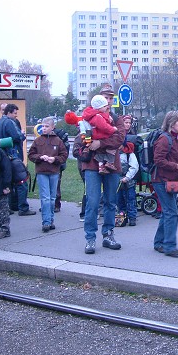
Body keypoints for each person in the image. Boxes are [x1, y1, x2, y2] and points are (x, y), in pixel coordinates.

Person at [76, 105, 126, 255]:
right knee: (92, 202)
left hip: (112, 165)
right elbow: (82, 136)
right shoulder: (89, 116)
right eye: (106, 99)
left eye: (111, 98)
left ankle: (108, 234)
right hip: (91, 165)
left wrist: (100, 143)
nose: (109, 102)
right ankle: (90, 238)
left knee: (111, 201)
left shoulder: (117, 119)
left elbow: (119, 138)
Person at [152, 111, 178, 257]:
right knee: (171, 213)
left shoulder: (177, 138)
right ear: (172, 123)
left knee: (168, 213)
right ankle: (169, 246)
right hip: (161, 180)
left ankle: (159, 243)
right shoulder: (164, 139)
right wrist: (177, 166)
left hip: (171, 180)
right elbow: (158, 160)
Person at [0, 103, 35, 216]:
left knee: (9, 182)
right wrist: (22, 134)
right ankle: (23, 208)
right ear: (9, 112)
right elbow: (17, 137)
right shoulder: (9, 122)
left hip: (3, 156)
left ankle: (11, 206)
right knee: (22, 181)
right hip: (12, 156)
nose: (16, 116)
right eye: (15, 113)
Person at [28, 117, 68, 233]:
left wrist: (54, 159)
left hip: (54, 172)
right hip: (42, 172)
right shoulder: (38, 140)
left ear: (52, 127)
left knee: (52, 198)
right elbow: (31, 155)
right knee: (45, 198)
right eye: (43, 126)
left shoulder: (58, 141)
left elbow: (64, 156)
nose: (44, 128)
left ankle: (51, 220)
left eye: (46, 126)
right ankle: (46, 222)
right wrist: (40, 157)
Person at [81, 95, 118, 173]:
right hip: (101, 134)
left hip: (95, 136)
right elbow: (104, 126)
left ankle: (101, 167)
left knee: (100, 152)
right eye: (105, 106)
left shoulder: (91, 114)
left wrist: (108, 118)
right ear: (100, 107)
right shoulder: (98, 116)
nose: (106, 107)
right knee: (111, 148)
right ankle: (109, 162)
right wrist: (113, 130)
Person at [117, 116, 139, 226]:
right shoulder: (114, 152)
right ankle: (121, 218)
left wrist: (128, 177)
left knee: (131, 199)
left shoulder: (128, 151)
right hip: (117, 180)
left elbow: (134, 166)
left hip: (128, 180)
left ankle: (132, 217)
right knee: (119, 200)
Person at [52, 124, 70, 212]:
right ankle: (56, 204)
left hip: (55, 162)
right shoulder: (63, 134)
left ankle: (53, 204)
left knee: (53, 184)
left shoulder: (57, 136)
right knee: (56, 184)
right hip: (59, 162)